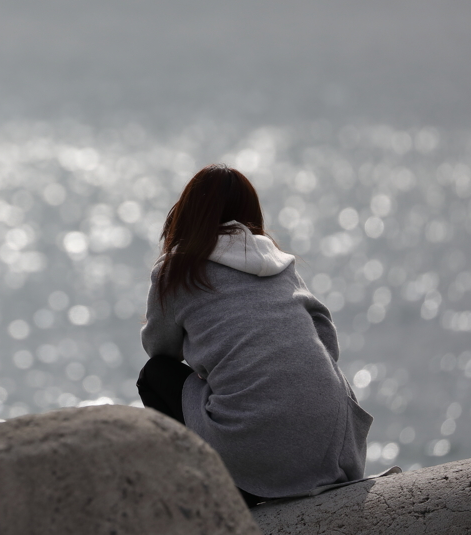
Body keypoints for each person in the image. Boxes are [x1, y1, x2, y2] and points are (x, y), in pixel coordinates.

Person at [138, 164, 372, 506]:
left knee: (154, 376)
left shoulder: (177, 269)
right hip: (336, 455)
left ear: (187, 213)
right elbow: (325, 337)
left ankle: (219, 491)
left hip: (253, 456)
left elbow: (159, 349)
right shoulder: (276, 261)